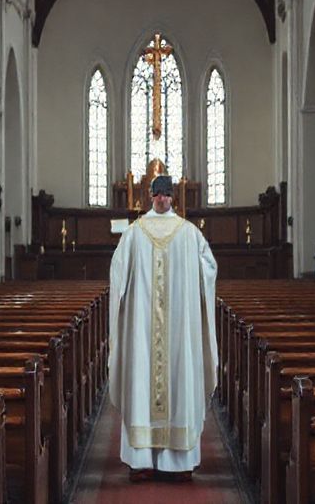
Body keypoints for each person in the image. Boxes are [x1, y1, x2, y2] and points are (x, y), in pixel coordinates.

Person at [108, 175, 219, 482]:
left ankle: (178, 463)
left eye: (166, 195)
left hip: (178, 331)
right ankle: (142, 461)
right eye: (157, 194)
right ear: (150, 196)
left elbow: (209, 268)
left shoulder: (189, 234)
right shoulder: (135, 233)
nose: (161, 199)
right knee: (146, 379)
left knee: (176, 377)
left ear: (173, 198)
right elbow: (118, 273)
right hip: (143, 331)